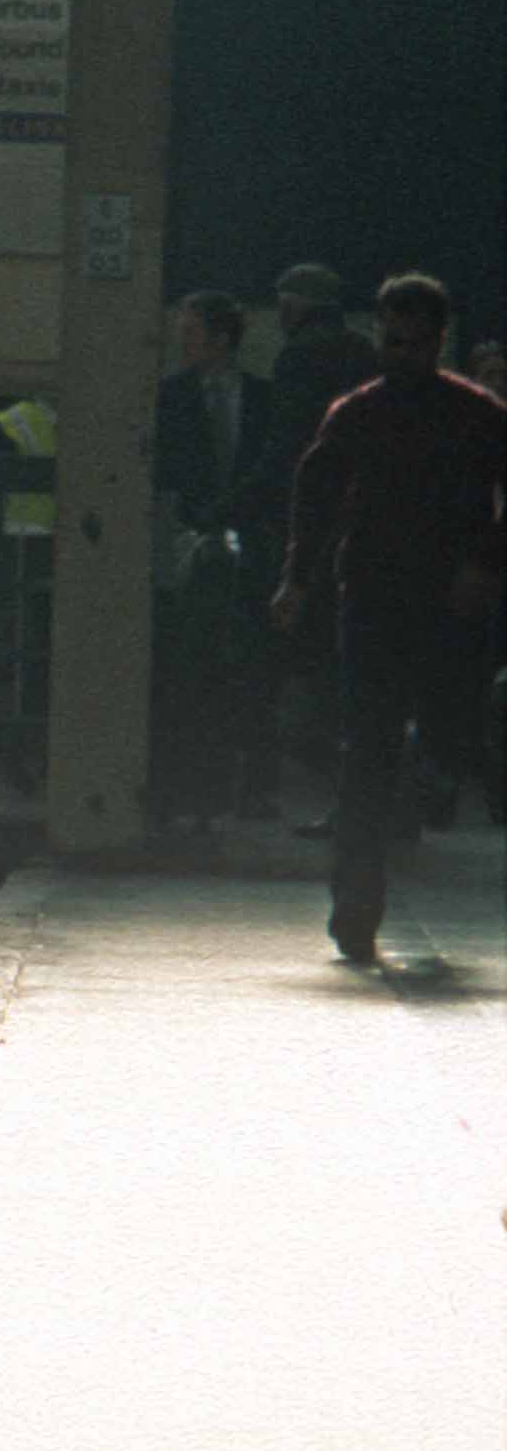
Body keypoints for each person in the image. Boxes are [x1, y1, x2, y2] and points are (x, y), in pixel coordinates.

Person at [271, 271, 507, 964]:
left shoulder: (464, 415)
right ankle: (356, 904)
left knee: (423, 735)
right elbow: (313, 498)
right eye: (393, 337)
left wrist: (486, 563)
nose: (402, 350)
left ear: (437, 340)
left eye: (414, 339)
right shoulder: (377, 412)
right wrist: (296, 578)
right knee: (370, 747)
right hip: (383, 597)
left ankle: (366, 884)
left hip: (435, 597)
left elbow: (314, 495)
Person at [152, 293, 287, 828]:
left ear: (221, 338)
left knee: (252, 666)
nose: (183, 342)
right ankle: (202, 785)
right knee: (197, 664)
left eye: (191, 332)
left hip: (249, 541)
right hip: (195, 540)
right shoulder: (172, 397)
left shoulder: (260, 396)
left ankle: (247, 785)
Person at [264, 261, 375, 430]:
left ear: (293, 305)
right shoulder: (363, 347)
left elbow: (290, 426)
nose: (279, 317)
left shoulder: (298, 353)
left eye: (283, 306)